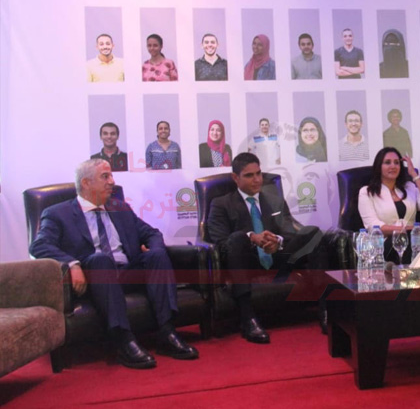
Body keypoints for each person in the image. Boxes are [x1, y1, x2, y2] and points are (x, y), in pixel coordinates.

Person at [30, 159, 198, 369]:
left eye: (111, 176)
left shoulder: (120, 208)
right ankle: (123, 340)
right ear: (86, 183)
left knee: (156, 256)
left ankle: (167, 332)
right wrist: (72, 264)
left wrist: (154, 249)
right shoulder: (57, 213)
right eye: (105, 176)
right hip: (95, 277)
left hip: (126, 272)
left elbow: (152, 233)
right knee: (100, 259)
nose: (112, 181)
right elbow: (39, 246)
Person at [207, 152, 327, 343]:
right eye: (249, 175)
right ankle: (247, 318)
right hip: (247, 261)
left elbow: (289, 231)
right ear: (235, 178)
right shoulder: (221, 204)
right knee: (237, 238)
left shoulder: (274, 200)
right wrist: (252, 238)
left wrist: (277, 241)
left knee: (312, 233)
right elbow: (221, 242)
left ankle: (325, 307)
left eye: (259, 173)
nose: (257, 180)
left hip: (278, 256)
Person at [358, 148, 420, 264]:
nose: (393, 166)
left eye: (397, 163)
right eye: (387, 162)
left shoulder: (409, 188)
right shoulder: (367, 192)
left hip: (412, 241)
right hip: (384, 245)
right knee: (405, 239)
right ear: (379, 167)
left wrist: (414, 175)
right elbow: (374, 227)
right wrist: (410, 228)